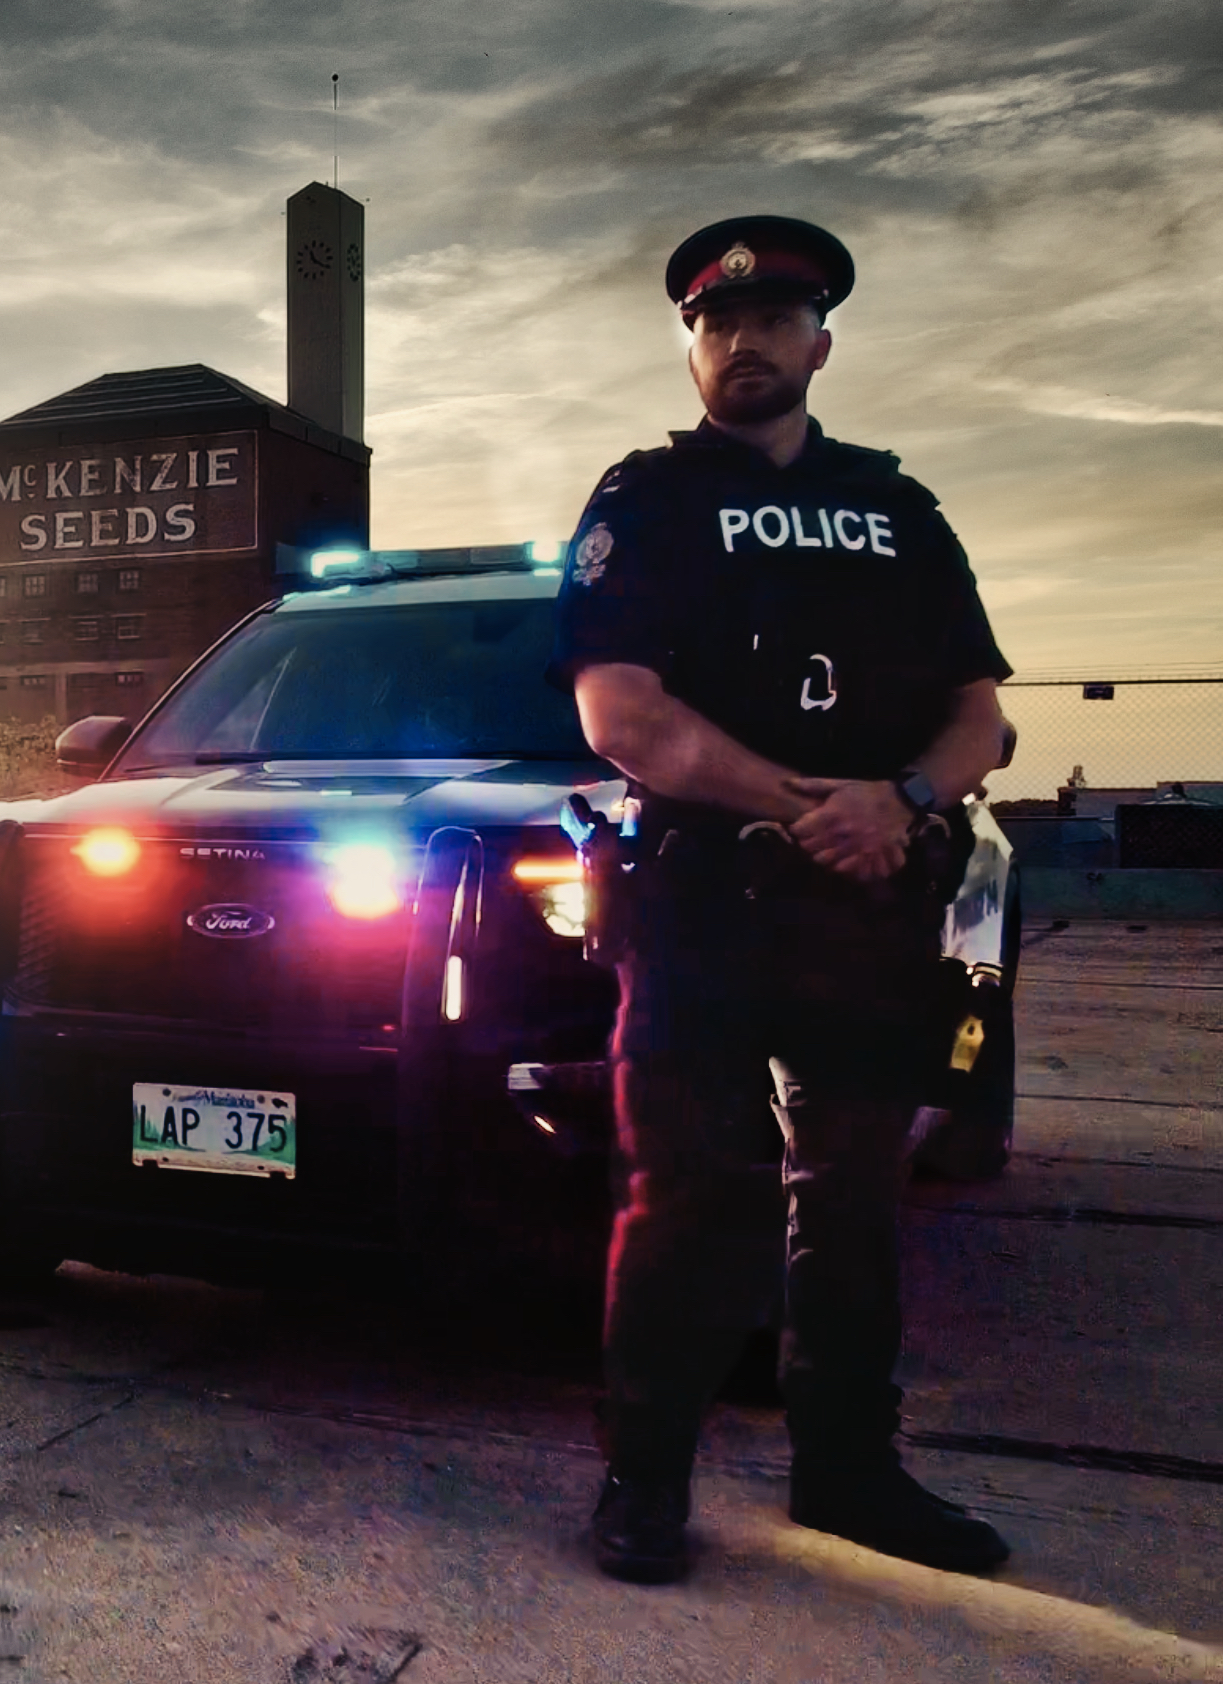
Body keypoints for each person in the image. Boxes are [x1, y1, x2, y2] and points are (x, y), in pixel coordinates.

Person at [550, 215, 1016, 1585]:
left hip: (865, 914)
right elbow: (621, 716)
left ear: (820, 343)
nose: (741, 340)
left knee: (856, 1197)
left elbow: (978, 717)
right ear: (690, 346)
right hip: (701, 905)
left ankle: (850, 1473)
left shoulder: (896, 509)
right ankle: (644, 1478)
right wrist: (817, 806)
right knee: (681, 1200)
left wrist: (904, 802)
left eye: (772, 318)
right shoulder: (645, 499)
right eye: (714, 322)